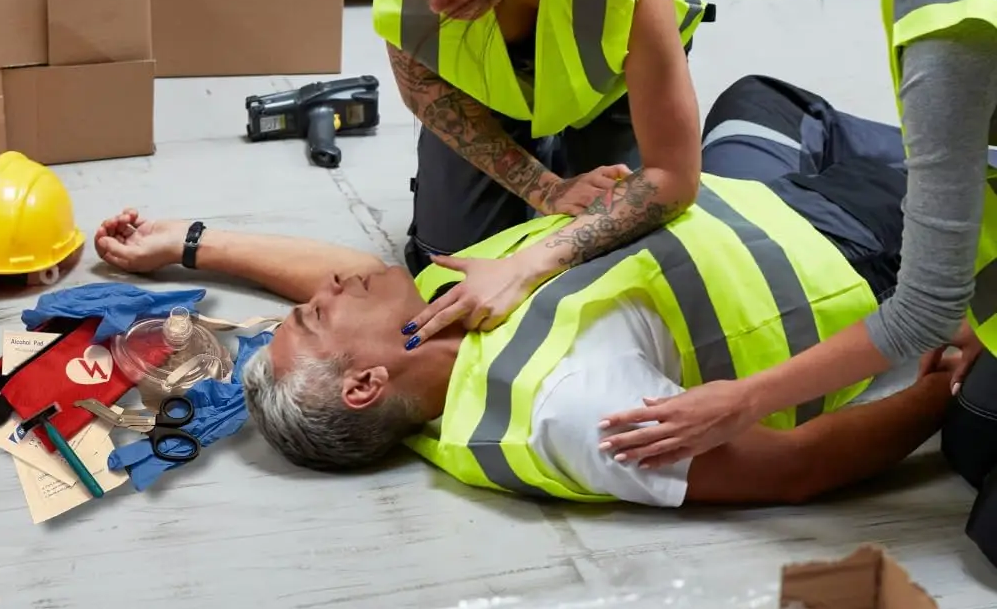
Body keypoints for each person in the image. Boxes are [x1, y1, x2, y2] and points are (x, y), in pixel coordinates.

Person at [94, 76, 953, 509]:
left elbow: (335, 277)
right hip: (845, 240)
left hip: (733, 190)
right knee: (954, 142)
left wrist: (194, 244)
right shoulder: (561, 409)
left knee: (758, 96)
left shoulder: (434, 329)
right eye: (322, 313)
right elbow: (794, 470)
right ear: (365, 382)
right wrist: (943, 391)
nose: (335, 283)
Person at [594, 0, 997, 560]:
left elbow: (920, 309)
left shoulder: (943, 13)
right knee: (973, 434)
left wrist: (740, 402)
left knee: (985, 505)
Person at [361, 0, 713, 328]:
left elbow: (674, 175)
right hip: (483, 87)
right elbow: (426, 93)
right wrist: (542, 187)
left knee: (613, 258)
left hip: (611, 86)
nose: (432, 0)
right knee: (448, 269)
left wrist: (531, 265)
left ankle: (567, 148)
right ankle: (536, 162)